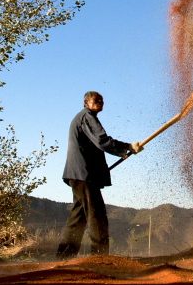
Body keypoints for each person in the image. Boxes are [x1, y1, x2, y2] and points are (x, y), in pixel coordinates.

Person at [56, 91, 141, 259]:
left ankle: (64, 257)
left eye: (102, 99)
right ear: (86, 102)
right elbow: (102, 140)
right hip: (83, 174)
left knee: (77, 218)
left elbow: (96, 145)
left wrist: (124, 150)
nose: (101, 102)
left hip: (79, 175)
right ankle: (100, 258)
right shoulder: (87, 117)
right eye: (97, 100)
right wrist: (127, 147)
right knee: (97, 216)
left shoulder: (83, 117)